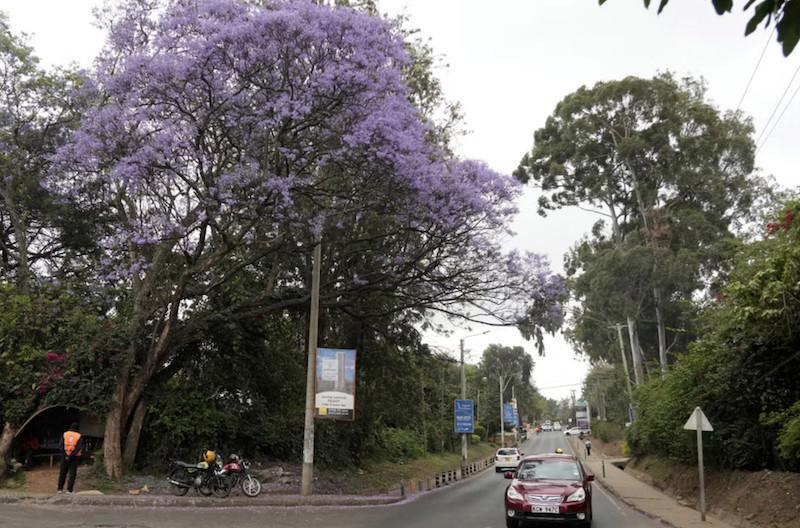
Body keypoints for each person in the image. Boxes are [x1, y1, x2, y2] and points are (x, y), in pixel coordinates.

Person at [57, 422, 84, 494]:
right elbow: (78, 448)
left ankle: (60, 489)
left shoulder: (65, 434)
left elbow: (61, 445)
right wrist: (71, 456)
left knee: (62, 472)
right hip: (74, 457)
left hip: (64, 456)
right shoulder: (78, 436)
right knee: (72, 473)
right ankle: (69, 490)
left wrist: (65, 455)